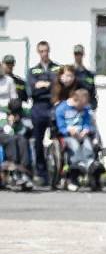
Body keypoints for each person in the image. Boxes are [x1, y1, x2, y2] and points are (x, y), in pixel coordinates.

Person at [55, 89, 103, 191]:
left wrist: (86, 130)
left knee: (88, 145)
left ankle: (90, 164)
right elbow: (61, 126)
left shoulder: (85, 109)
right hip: (68, 135)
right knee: (74, 145)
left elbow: (87, 122)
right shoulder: (62, 108)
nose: (82, 108)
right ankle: (77, 165)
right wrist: (69, 130)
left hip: (82, 134)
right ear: (75, 100)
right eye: (81, 105)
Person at [28, 40, 60, 185]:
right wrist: (48, 85)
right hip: (39, 107)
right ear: (38, 52)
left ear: (49, 50)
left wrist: (44, 85)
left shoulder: (57, 68)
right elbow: (32, 90)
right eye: (41, 51)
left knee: (58, 139)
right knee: (38, 141)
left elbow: (59, 86)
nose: (44, 53)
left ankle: (59, 172)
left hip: (54, 105)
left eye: (46, 51)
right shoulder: (33, 70)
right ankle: (42, 173)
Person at [72, 44, 98, 109]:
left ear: (83, 54)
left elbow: (93, 92)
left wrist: (93, 106)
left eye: (80, 53)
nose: (78, 56)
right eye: (76, 54)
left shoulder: (89, 74)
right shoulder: (70, 72)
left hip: (87, 108)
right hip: (73, 107)